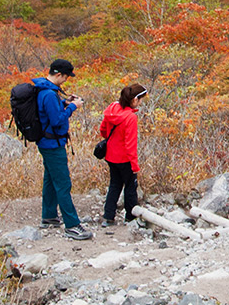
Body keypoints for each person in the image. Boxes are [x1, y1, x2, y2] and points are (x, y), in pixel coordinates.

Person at [34, 58, 93, 240]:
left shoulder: (44, 90)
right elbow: (57, 120)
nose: (66, 81)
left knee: (51, 179)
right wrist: (72, 107)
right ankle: (72, 225)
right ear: (58, 74)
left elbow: (50, 113)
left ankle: (49, 215)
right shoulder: (49, 94)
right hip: (53, 145)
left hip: (46, 142)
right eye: (66, 77)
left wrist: (65, 103)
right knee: (63, 183)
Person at [99, 83, 147, 228]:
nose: (141, 103)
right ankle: (130, 217)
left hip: (110, 155)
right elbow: (130, 144)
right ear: (134, 100)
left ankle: (108, 216)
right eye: (140, 100)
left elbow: (103, 130)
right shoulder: (130, 118)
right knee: (130, 187)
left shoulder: (112, 109)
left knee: (114, 185)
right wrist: (135, 165)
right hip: (124, 158)